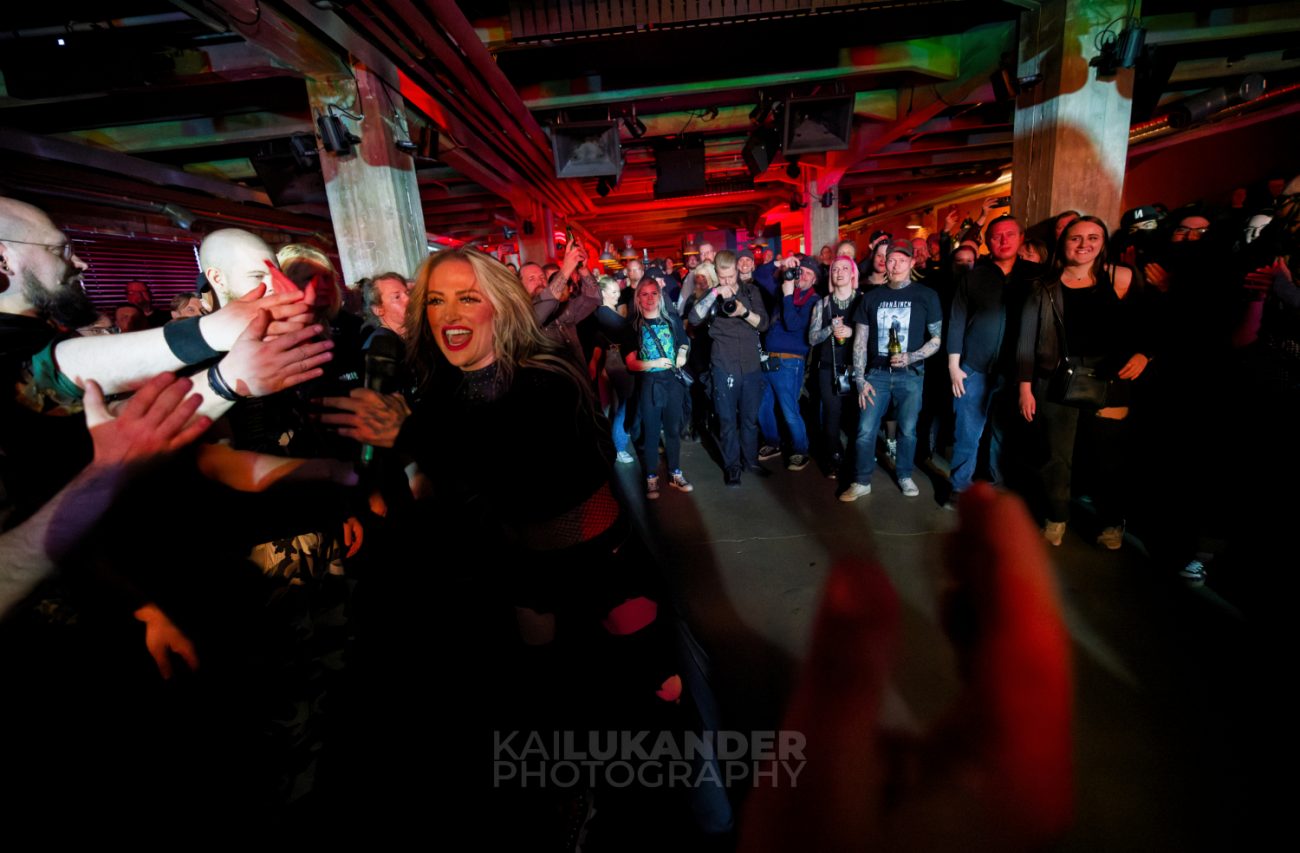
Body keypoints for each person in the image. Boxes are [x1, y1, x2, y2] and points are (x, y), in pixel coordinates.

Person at [1018, 216, 1152, 547]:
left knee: (1107, 455)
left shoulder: (1121, 277)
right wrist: (1025, 387)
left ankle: (1111, 523)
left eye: (1093, 237)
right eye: (1076, 238)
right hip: (1056, 376)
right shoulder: (1045, 285)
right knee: (1056, 455)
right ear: (1063, 242)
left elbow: (1149, 322)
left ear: (1103, 242)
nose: (1084, 244)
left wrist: (1144, 354)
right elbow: (1027, 339)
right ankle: (1056, 517)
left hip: (1111, 377)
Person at [946, 215, 1042, 505]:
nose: (1003, 240)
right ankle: (959, 487)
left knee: (1004, 433)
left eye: (1009, 234)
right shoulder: (974, 276)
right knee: (967, 432)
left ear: (1021, 238)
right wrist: (954, 365)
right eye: (996, 235)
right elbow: (957, 320)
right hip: (973, 367)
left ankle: (997, 485)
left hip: (1015, 371)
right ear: (987, 241)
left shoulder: (1035, 276)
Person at [841, 241, 943, 501]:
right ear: (884, 263)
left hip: (911, 374)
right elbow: (860, 341)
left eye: (902, 260)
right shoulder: (871, 297)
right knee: (865, 430)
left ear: (912, 263)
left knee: (907, 430)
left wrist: (911, 356)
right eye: (891, 260)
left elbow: (936, 339)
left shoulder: (926, 295)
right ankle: (862, 481)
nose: (896, 265)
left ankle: (904, 474)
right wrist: (860, 379)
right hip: (876, 375)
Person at [690, 249, 771, 486]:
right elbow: (694, 318)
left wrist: (743, 311)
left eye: (731, 276)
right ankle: (732, 467)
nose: (727, 281)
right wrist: (716, 292)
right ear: (716, 273)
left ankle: (751, 461)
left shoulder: (751, 291)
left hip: (751, 365)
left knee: (749, 419)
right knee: (726, 421)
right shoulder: (711, 294)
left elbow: (763, 324)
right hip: (723, 365)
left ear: (737, 270)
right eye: (722, 277)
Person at [625, 279, 694, 499]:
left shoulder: (671, 319)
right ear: (638, 298)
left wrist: (681, 354)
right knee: (652, 433)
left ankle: (675, 472)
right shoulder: (633, 325)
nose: (649, 298)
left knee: (672, 430)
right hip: (650, 385)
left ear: (660, 295)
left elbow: (683, 343)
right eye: (644, 294)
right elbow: (631, 363)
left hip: (672, 383)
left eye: (653, 293)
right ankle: (651, 477)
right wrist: (654, 363)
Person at [807, 254, 861, 477]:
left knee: (856, 416)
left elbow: (875, 336)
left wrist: (852, 331)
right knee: (831, 416)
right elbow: (812, 338)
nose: (839, 272)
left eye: (844, 268)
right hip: (828, 368)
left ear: (853, 273)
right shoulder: (822, 304)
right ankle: (834, 458)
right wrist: (830, 328)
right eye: (835, 269)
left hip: (856, 368)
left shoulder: (863, 300)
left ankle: (856, 459)